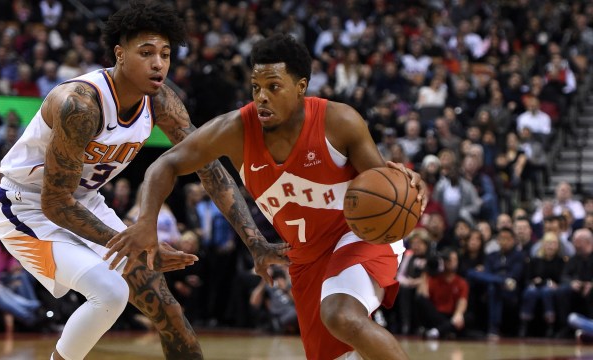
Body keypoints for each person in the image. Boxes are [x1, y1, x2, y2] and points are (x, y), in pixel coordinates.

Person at [0, 2, 288, 360]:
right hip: (27, 206)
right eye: (146, 53)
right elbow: (55, 203)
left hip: (86, 202)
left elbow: (210, 169)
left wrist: (255, 241)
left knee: (169, 310)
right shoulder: (81, 105)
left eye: (165, 54)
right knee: (111, 292)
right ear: (120, 54)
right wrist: (139, 245)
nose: (158, 63)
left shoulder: (160, 101)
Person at [108, 33, 427, 360]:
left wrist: (411, 186)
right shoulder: (235, 130)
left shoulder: (339, 121)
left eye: (273, 87)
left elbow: (387, 188)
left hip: (357, 237)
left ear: (301, 86)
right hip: (305, 258)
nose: (261, 97)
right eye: (255, 87)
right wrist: (146, 221)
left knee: (341, 316)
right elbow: (166, 164)